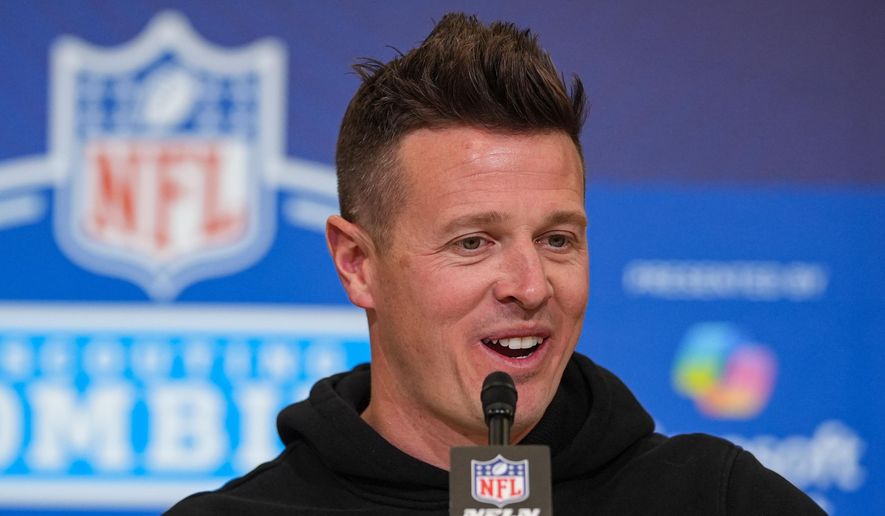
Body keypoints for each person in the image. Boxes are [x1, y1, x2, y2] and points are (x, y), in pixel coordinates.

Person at [168, 13, 824, 515]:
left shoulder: (715, 500)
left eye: (557, 240)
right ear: (356, 264)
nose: (530, 286)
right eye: (472, 243)